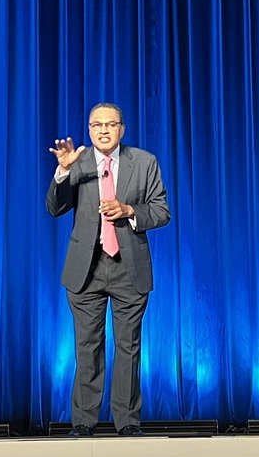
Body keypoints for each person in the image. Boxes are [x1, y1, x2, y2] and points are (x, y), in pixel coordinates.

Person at [47, 103, 170, 436]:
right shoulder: (78, 162)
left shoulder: (144, 162)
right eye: (96, 124)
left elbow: (161, 212)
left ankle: (128, 423)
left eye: (110, 124)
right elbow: (55, 208)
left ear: (122, 129)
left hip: (128, 267)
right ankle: (83, 424)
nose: (103, 130)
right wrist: (62, 173)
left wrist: (129, 209)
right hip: (86, 269)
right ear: (89, 130)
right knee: (87, 347)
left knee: (128, 346)